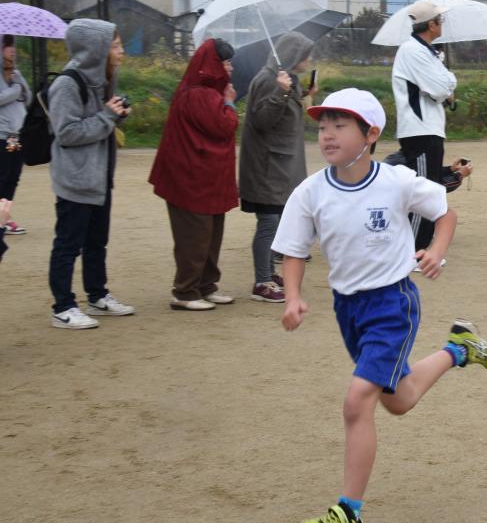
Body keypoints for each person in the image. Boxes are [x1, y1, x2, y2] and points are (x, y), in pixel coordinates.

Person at [272, 88, 487, 523]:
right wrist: (292, 296)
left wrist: (435, 250)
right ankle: (460, 348)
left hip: (393, 303)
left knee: (359, 401)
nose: (328, 134)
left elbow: (445, 213)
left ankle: (347, 517)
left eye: (340, 125)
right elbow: (293, 251)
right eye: (322, 125)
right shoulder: (310, 191)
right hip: (347, 309)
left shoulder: (395, 181)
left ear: (370, 134)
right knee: (399, 400)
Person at [47, 19, 136, 329]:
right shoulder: (67, 84)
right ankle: (63, 306)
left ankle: (97, 296)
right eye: (114, 46)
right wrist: (107, 116)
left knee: (97, 241)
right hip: (75, 179)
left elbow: (98, 125)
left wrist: (116, 116)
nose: (121, 52)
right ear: (95, 49)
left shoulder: (102, 81)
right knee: (68, 244)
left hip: (98, 178)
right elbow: (67, 133)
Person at [148, 39, 240, 310]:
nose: (230, 68)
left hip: (207, 179)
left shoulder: (204, 92)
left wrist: (225, 100)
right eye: (225, 62)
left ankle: (205, 286)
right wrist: (230, 103)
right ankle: (185, 291)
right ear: (212, 65)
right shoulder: (199, 94)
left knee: (210, 234)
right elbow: (224, 125)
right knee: (195, 237)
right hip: (192, 180)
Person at [239, 32, 316, 302]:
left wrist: (301, 94)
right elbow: (261, 120)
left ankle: (268, 273)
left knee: (278, 220)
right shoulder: (269, 80)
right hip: (267, 165)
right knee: (269, 222)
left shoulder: (286, 79)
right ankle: (262, 282)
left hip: (280, 164)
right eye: (305, 54)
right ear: (292, 55)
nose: (309, 59)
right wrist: (282, 94)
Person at [388, 0, 457, 252]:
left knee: (431, 187)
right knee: (424, 190)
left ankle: (420, 247)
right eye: (441, 20)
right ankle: (414, 250)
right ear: (431, 24)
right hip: (419, 129)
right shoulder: (413, 51)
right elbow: (441, 87)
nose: (443, 24)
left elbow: (447, 82)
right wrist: (445, 88)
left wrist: (445, 84)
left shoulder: (427, 51)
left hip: (429, 128)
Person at [0, 33, 31, 234]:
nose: (13, 49)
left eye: (13, 45)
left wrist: (18, 83)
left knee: (13, 177)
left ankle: (4, 215)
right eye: (8, 45)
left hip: (16, 135)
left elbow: (27, 98)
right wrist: (15, 90)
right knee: (2, 177)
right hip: (1, 135)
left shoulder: (16, 74)